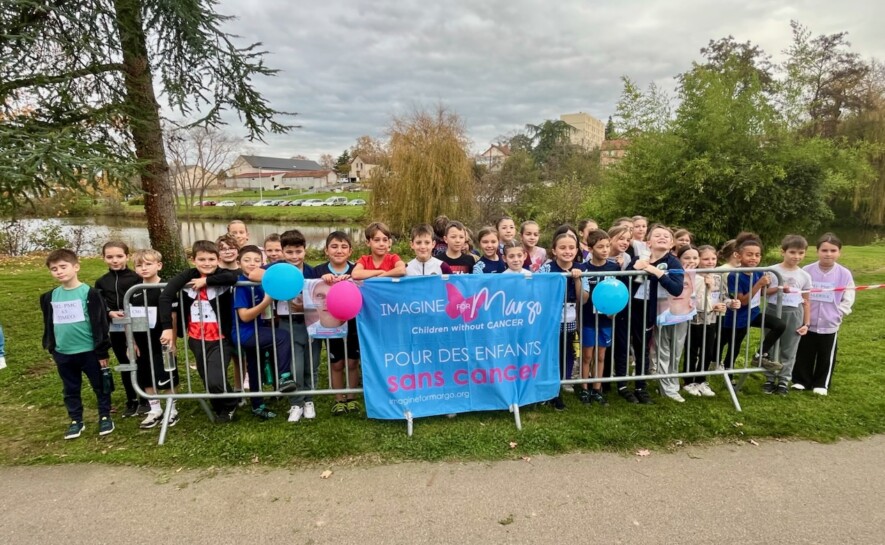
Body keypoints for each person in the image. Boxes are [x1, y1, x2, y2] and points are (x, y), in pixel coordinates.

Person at [158, 240, 240, 422]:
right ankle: (221, 407)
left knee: (215, 379)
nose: (207, 263)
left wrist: (207, 280)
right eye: (201, 259)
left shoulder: (223, 274)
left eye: (211, 259)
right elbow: (166, 295)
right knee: (206, 377)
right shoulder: (188, 275)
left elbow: (233, 278)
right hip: (196, 338)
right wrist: (167, 328)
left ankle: (231, 403)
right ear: (194, 260)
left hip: (221, 339)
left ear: (218, 260)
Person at [41, 249, 114, 439]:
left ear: (76, 267)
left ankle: (105, 416)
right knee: (70, 388)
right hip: (64, 352)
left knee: (100, 385)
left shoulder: (90, 293)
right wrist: (52, 347)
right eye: (54, 269)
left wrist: (102, 352)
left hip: (89, 351)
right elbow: (49, 323)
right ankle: (76, 420)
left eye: (63, 267)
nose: (59, 271)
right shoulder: (49, 297)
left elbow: (100, 324)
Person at [249, 229, 321, 421]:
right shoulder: (278, 267)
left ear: (305, 250)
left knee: (310, 365)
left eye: (298, 251)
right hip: (287, 324)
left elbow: (319, 297)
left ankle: (309, 400)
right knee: (294, 366)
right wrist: (279, 283)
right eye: (289, 252)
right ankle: (295, 403)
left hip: (310, 322)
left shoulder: (311, 270)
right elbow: (253, 273)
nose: (294, 256)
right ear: (282, 252)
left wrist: (303, 304)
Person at [232, 245, 298, 420]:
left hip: (258, 330)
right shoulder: (241, 285)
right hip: (245, 333)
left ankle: (257, 405)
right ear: (239, 263)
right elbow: (245, 316)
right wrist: (266, 301)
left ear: (262, 263)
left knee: (255, 367)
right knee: (283, 337)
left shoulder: (261, 283)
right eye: (247, 260)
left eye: (256, 260)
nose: (252, 263)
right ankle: (285, 377)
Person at [620, 224, 684, 405]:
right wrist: (636, 269)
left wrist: (655, 271)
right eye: (657, 235)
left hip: (649, 309)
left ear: (672, 243)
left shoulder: (673, 262)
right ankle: (622, 385)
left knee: (643, 348)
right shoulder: (639, 259)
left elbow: (677, 288)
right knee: (624, 346)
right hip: (629, 307)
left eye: (666, 236)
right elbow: (624, 281)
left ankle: (641, 386)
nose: (662, 238)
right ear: (649, 242)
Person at [793, 233, 855, 395]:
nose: (828, 254)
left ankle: (821, 383)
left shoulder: (844, 274)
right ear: (817, 251)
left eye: (833, 250)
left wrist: (839, 312)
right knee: (804, 351)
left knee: (826, 354)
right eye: (824, 250)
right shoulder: (806, 271)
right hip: (808, 321)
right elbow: (799, 293)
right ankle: (801, 380)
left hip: (829, 323)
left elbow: (849, 296)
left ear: (839, 252)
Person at [129, 249, 181, 429]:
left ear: (158, 265)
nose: (144, 268)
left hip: (163, 341)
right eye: (139, 265)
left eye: (148, 264)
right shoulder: (134, 292)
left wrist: (173, 340)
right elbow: (132, 320)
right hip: (143, 341)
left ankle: (171, 409)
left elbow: (173, 317)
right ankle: (154, 409)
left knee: (166, 374)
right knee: (145, 374)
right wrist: (132, 342)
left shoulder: (166, 290)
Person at [720, 236, 787, 376]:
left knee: (779, 325)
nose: (753, 258)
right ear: (738, 256)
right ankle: (727, 372)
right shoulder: (734, 275)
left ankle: (759, 355)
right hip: (738, 317)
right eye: (749, 254)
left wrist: (779, 288)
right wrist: (759, 284)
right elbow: (743, 301)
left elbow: (761, 293)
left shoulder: (759, 271)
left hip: (754, 313)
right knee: (732, 345)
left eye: (757, 255)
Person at [314, 231, 363, 417]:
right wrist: (322, 281)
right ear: (326, 250)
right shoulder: (318, 271)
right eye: (334, 246)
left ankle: (351, 397)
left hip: (353, 325)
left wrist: (351, 280)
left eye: (343, 247)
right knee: (336, 364)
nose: (339, 250)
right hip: (330, 325)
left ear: (350, 251)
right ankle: (338, 399)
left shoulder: (357, 269)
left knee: (352, 362)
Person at [539, 232, 588, 410]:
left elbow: (583, 298)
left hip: (569, 318)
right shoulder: (546, 268)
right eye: (562, 247)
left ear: (576, 250)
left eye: (571, 248)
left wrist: (577, 279)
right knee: (550, 354)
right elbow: (537, 291)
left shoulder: (581, 268)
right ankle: (548, 391)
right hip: (549, 319)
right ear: (554, 250)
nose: (567, 251)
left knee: (567, 354)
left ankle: (558, 388)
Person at [95, 241, 144, 418]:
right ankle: (131, 399)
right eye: (110, 257)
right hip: (115, 329)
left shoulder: (135, 278)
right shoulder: (102, 281)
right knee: (124, 362)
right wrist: (109, 313)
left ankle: (145, 398)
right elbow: (99, 305)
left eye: (119, 256)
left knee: (140, 360)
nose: (115, 260)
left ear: (127, 256)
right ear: (104, 258)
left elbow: (141, 301)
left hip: (136, 327)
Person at [762, 235, 813, 395]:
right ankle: (769, 379)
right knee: (770, 346)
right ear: (783, 252)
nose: (796, 256)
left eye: (800, 253)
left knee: (789, 349)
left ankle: (783, 381)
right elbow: (763, 292)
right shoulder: (772, 270)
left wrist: (806, 323)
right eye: (792, 252)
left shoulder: (805, 276)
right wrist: (778, 289)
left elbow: (806, 301)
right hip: (772, 311)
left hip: (793, 313)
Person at [682, 245, 730, 398]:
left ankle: (701, 380)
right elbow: (691, 299)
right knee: (692, 350)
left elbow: (724, 296)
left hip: (712, 319)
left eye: (713, 259)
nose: (710, 262)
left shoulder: (718, 276)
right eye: (706, 259)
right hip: (694, 319)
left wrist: (729, 303)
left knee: (708, 351)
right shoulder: (693, 277)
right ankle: (689, 381)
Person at [653, 245, 698, 403]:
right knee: (663, 351)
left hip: (683, 316)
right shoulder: (670, 268)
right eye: (687, 258)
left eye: (694, 258)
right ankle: (666, 387)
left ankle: (673, 383)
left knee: (676, 352)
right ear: (678, 258)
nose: (691, 261)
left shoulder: (698, 275)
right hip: (664, 315)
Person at [581, 229, 619, 405]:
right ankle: (584, 388)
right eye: (600, 247)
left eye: (607, 246)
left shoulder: (614, 267)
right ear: (590, 248)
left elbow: (619, 293)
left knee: (601, 355)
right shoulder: (584, 268)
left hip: (606, 319)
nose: (605, 250)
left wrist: (614, 310)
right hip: (588, 318)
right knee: (587, 356)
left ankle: (597, 389)